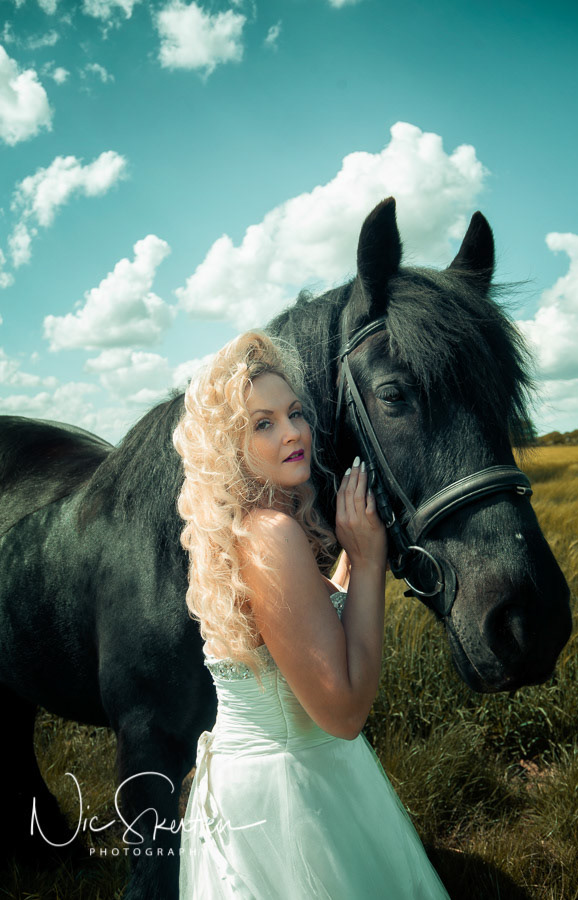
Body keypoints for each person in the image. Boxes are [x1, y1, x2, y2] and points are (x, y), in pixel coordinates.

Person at [173, 330, 450, 899]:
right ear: (228, 444)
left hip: (273, 779)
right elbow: (344, 713)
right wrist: (370, 564)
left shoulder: (245, 528)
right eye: (263, 423)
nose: (294, 431)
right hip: (291, 800)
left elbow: (310, 630)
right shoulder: (270, 535)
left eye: (294, 413)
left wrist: (354, 549)